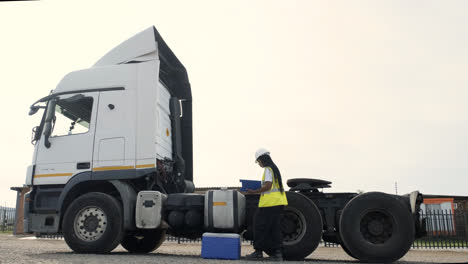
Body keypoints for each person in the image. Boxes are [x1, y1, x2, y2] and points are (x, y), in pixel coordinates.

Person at [245, 148, 288, 261]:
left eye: (258, 161)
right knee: (275, 228)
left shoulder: (268, 170)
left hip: (269, 204)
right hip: (279, 202)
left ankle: (258, 252)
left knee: (259, 226)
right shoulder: (275, 169)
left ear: (263, 159)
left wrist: (253, 191)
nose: (258, 163)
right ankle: (277, 254)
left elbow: (268, 186)